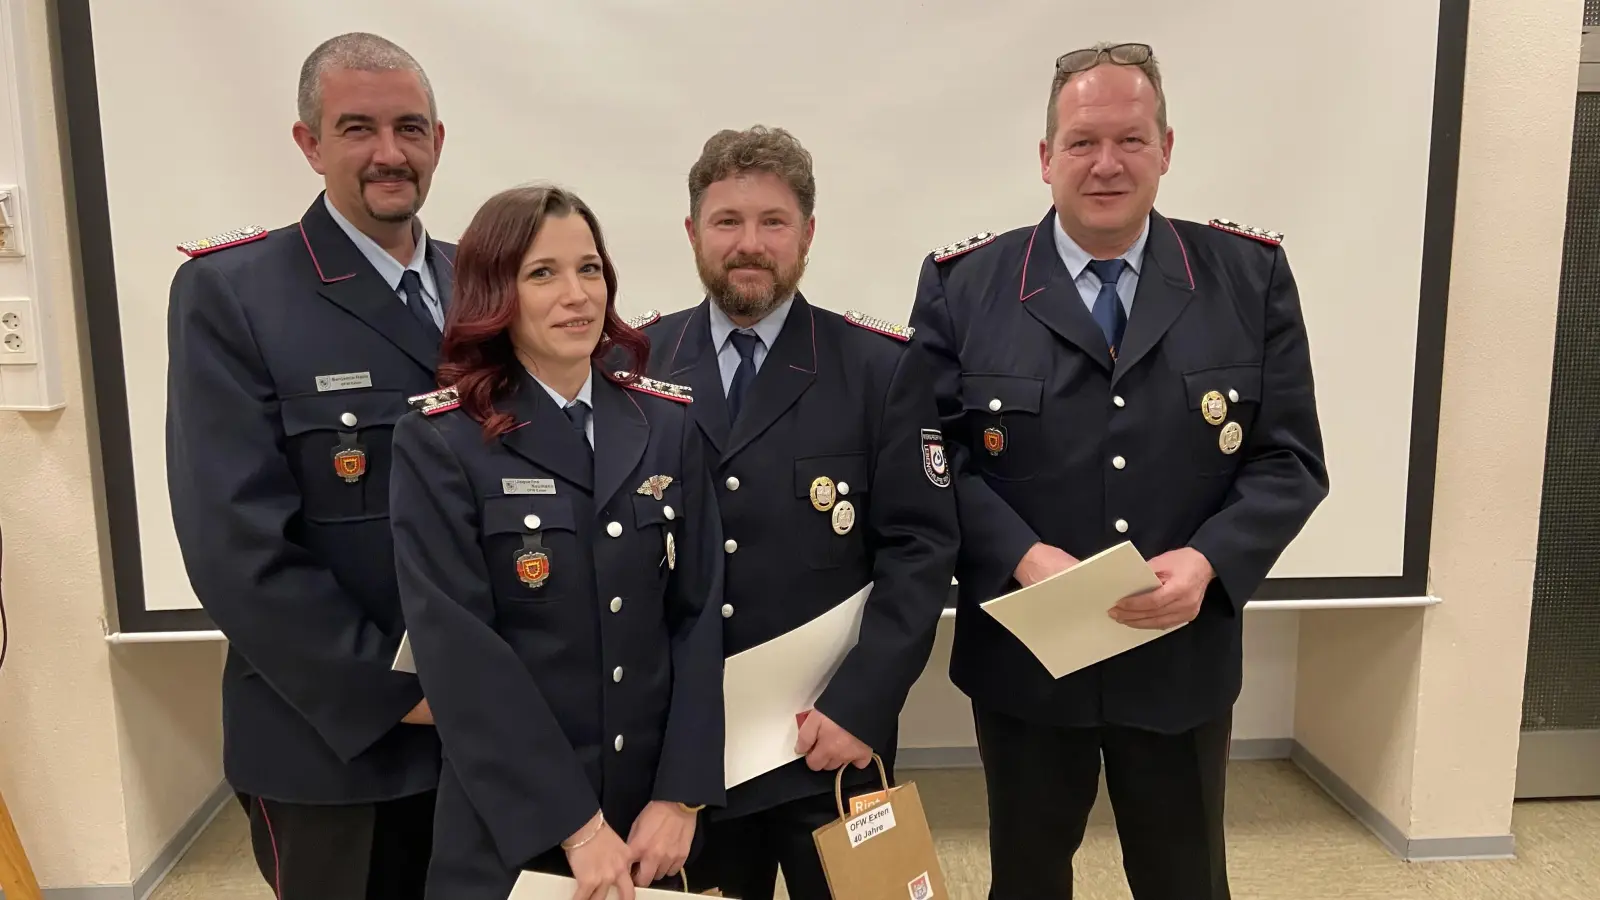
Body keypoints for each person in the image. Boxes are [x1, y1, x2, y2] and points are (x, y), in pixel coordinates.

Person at [908, 42, 1329, 900]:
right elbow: (934, 459)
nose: (1107, 164)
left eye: (1131, 140)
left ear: (1166, 149)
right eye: (1082, 142)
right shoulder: (965, 286)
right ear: (1045, 158)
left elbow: (1288, 458)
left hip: (1179, 655)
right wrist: (1023, 558)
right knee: (1026, 880)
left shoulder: (1247, 280)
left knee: (1185, 882)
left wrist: (1210, 560)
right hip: (1030, 659)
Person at [629, 125, 960, 900]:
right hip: (685, 759)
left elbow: (921, 548)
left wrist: (863, 704)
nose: (750, 244)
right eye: (727, 222)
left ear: (807, 234)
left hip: (832, 744)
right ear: (692, 233)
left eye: (773, 222)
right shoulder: (632, 365)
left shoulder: (881, 369)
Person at [164, 32, 452, 899]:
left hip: (482, 733)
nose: (388, 153)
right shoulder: (236, 293)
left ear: (440, 139)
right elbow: (234, 545)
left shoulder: (489, 286)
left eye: (410, 127)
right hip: (330, 746)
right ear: (308, 143)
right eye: (357, 128)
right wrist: (394, 693)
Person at [387, 184, 727, 900]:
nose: (576, 294)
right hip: (513, 821)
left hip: (650, 827)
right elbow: (462, 656)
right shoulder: (441, 441)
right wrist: (576, 825)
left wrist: (682, 796)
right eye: (543, 273)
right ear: (494, 292)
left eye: (590, 269)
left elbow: (699, 619)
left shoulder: (664, 424)